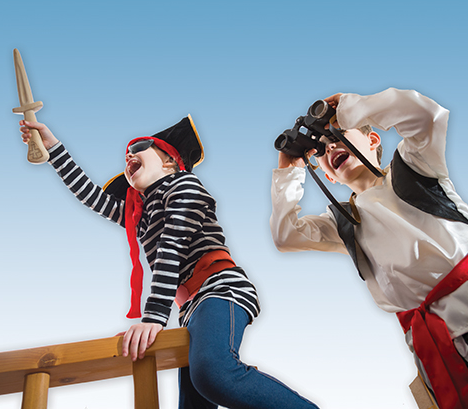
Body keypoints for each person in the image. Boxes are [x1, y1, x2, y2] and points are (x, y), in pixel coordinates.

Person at [20, 116, 318, 409]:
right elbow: (91, 197)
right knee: (193, 403)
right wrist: (53, 148)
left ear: (169, 162)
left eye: (141, 147)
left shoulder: (185, 185)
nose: (129, 154)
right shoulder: (142, 216)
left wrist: (153, 317)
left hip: (220, 290)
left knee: (215, 375)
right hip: (190, 310)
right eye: (128, 154)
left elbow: (172, 246)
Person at [270, 87, 468, 409]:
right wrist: (289, 170)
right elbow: (285, 235)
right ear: (329, 177)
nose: (330, 145)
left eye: (337, 134)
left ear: (373, 141)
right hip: (447, 349)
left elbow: (427, 117)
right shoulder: (345, 222)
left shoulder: (415, 168)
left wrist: (350, 107)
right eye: (320, 150)